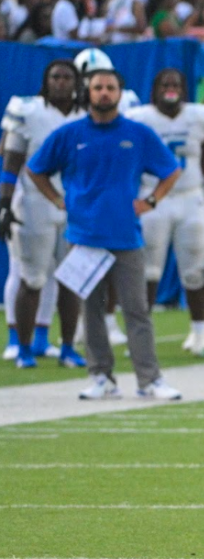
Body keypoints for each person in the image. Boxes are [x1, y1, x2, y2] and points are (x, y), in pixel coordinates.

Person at [26, 68, 182, 400]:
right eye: (97, 87)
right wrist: (56, 199)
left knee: (136, 310)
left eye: (110, 87)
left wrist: (152, 200)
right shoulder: (69, 134)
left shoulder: (138, 134)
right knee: (92, 310)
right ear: (88, 91)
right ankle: (101, 377)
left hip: (127, 236)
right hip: (84, 237)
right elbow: (35, 168)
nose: (104, 93)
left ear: (120, 93)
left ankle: (149, 379)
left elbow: (171, 169)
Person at [126, 69, 204, 357]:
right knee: (147, 272)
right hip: (153, 200)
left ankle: (200, 335)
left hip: (190, 198)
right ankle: (141, 337)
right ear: (155, 88)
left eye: (176, 84)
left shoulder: (198, 116)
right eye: (165, 84)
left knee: (196, 271)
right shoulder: (140, 119)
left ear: (184, 88)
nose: (171, 88)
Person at [0, 60, 85, 370]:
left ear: (77, 82)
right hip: (35, 201)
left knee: (71, 279)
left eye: (67, 77)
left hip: (75, 204)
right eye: (55, 77)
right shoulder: (29, 111)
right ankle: (23, 347)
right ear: (46, 81)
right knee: (32, 278)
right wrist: (5, 204)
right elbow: (12, 159)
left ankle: (67, 347)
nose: (61, 82)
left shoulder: (86, 115)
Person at [73, 47, 142, 348]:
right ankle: (73, 326)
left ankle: (108, 320)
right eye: (90, 81)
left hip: (116, 191)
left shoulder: (127, 105)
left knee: (112, 263)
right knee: (77, 266)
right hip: (80, 191)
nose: (99, 89)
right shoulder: (65, 107)